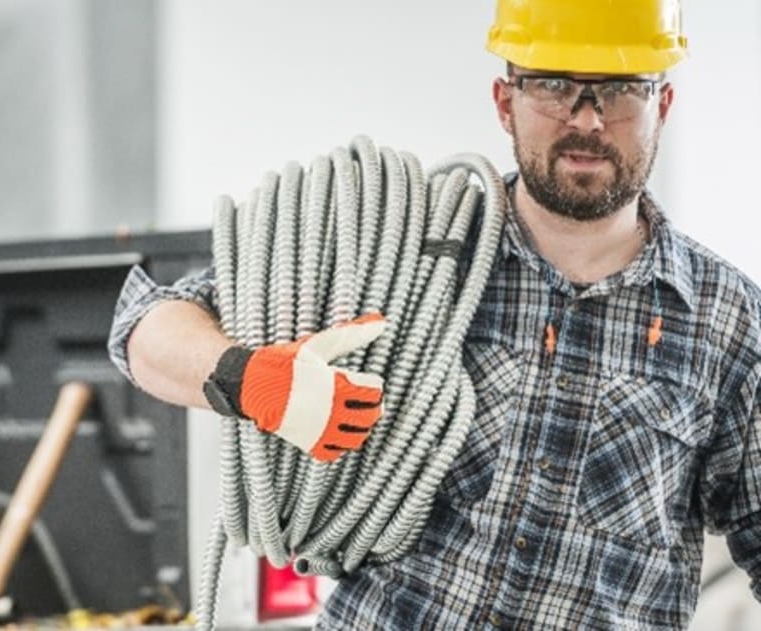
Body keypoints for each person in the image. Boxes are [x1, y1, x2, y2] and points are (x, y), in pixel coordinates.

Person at [109, 0, 761, 628]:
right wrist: (247, 378)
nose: (587, 119)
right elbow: (141, 326)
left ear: (663, 105)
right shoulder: (400, 246)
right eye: (554, 85)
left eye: (620, 90)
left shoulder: (726, 320)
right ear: (505, 101)